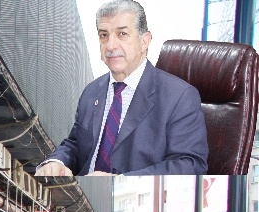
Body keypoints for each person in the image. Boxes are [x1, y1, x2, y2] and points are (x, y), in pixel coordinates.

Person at [34, 0, 207, 177]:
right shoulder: (91, 91)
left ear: (144, 41)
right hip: (82, 196)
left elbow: (190, 165)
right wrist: (56, 161)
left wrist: (120, 181)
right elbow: (75, 144)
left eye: (122, 33)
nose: (110, 45)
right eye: (104, 35)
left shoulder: (180, 96)